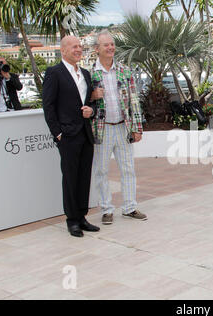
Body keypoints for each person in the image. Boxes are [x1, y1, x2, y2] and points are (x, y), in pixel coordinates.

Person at [42, 36, 100, 238]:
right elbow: (48, 106)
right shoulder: (54, 73)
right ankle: (72, 220)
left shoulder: (84, 73)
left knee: (84, 177)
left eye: (80, 46)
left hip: (85, 133)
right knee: (70, 178)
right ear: (63, 50)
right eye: (74, 46)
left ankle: (82, 217)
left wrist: (90, 111)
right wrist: (57, 133)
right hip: (67, 135)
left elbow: (91, 102)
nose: (79, 49)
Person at [89, 30, 146, 225]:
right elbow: (81, 100)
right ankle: (106, 209)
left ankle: (129, 207)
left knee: (128, 169)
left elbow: (134, 100)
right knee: (101, 171)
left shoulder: (124, 70)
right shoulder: (89, 73)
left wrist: (137, 127)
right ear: (97, 49)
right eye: (106, 45)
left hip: (123, 128)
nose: (111, 47)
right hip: (102, 129)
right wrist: (92, 96)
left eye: (112, 44)